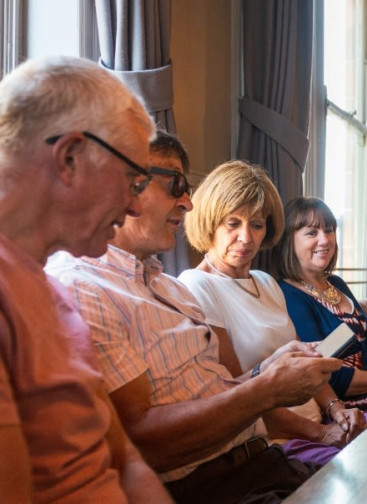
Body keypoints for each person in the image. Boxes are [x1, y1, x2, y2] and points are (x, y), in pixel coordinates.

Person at [47, 130, 343, 504]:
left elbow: (221, 387)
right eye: (175, 184)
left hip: (264, 463)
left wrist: (269, 370)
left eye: (257, 224)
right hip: (213, 487)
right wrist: (267, 389)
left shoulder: (168, 288)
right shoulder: (81, 288)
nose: (187, 203)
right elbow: (142, 441)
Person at [0, 56, 174, 503]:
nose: (136, 207)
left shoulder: (51, 292)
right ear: (70, 157)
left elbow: (127, 462)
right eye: (134, 181)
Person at [179, 160, 367, 467]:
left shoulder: (266, 282)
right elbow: (237, 395)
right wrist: (321, 434)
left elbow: (306, 365)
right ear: (210, 221)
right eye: (232, 223)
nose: (246, 237)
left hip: (317, 426)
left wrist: (337, 410)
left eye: (256, 224)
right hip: (274, 443)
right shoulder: (196, 285)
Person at [272, 196, 367, 413]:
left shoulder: (337, 283)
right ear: (290, 240)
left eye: (329, 230)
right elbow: (329, 375)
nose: (325, 240)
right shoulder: (289, 294)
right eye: (312, 232)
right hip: (350, 405)